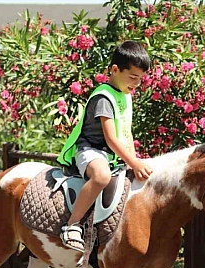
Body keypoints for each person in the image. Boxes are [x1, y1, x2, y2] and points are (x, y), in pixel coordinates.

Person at [56, 40, 153, 252]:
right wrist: (133, 162)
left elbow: (126, 133)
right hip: (90, 149)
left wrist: (134, 161)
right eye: (133, 77)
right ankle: (71, 225)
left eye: (140, 79)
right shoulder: (104, 97)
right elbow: (111, 139)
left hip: (112, 155)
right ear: (115, 70)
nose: (137, 83)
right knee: (101, 177)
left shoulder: (125, 95)